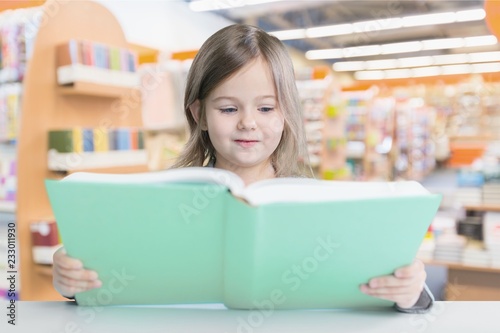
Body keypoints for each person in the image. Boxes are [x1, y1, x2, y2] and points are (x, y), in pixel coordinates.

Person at [52, 24, 433, 313]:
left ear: (286, 114)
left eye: (266, 108)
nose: (249, 123)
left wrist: (410, 292)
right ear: (199, 114)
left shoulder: (320, 205)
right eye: (229, 108)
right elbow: (112, 280)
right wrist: (71, 281)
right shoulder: (159, 201)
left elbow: (392, 294)